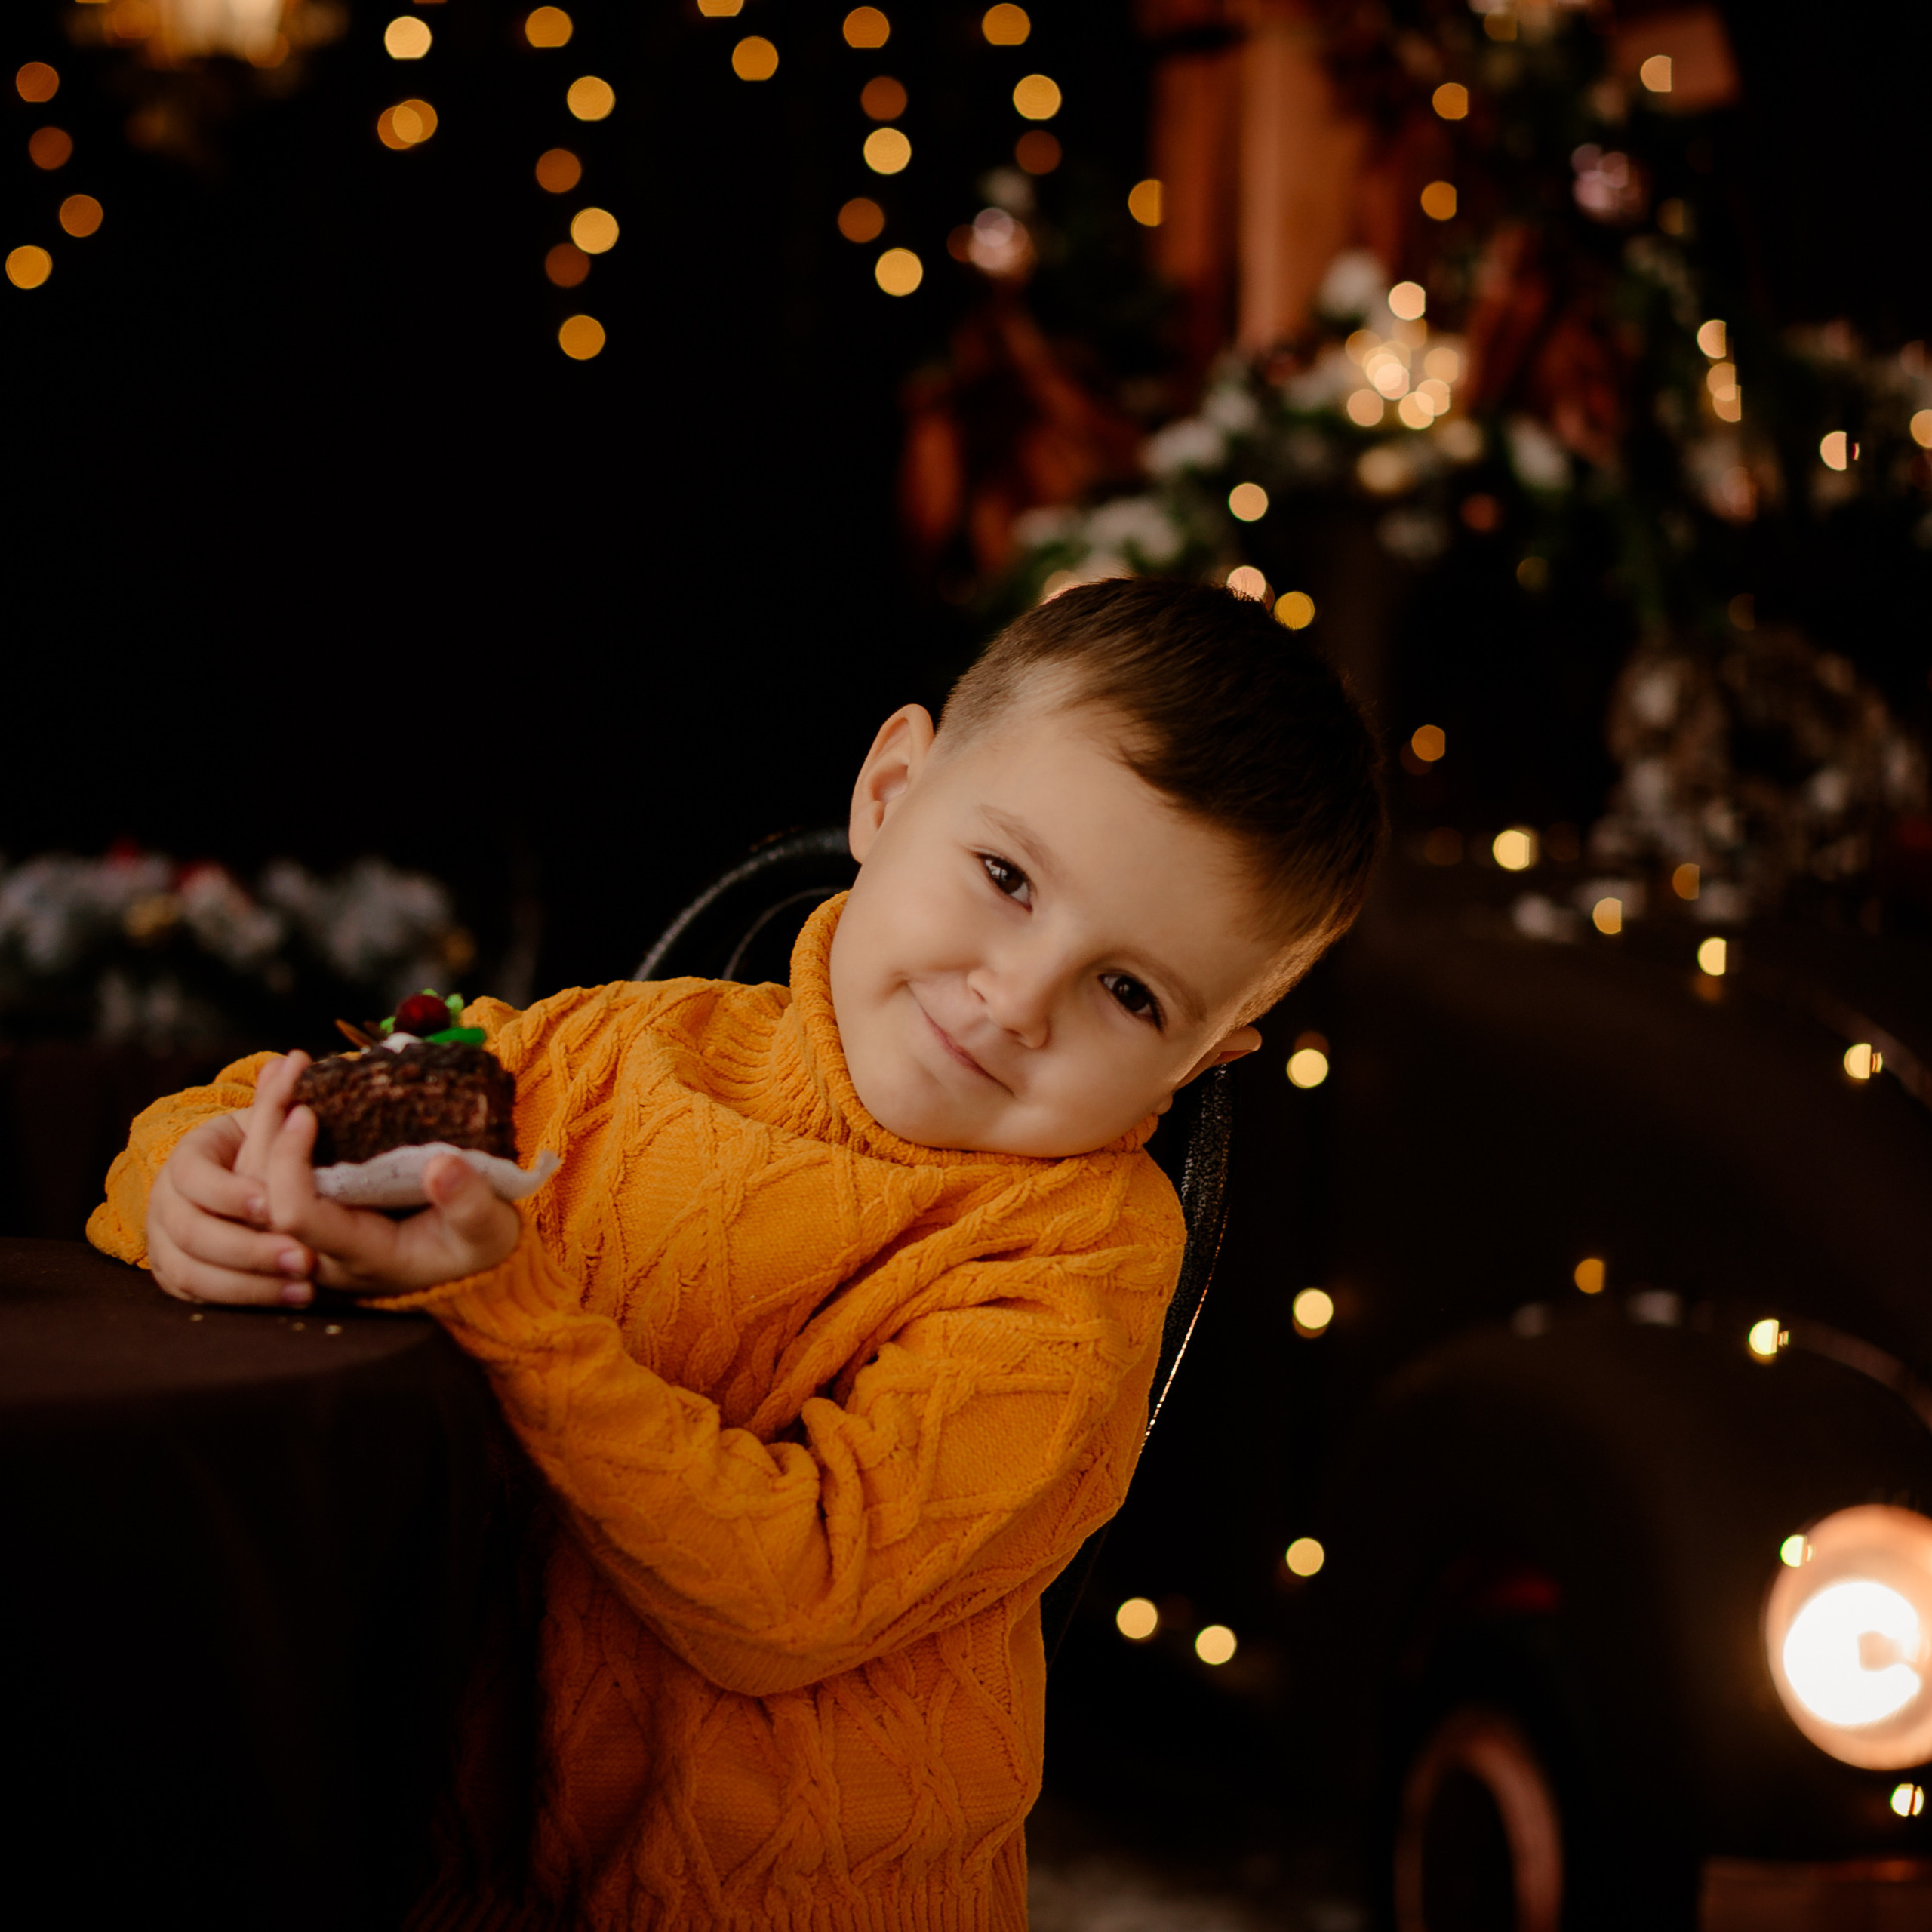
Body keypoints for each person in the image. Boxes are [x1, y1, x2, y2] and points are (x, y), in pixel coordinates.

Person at [89, 577, 1383, 1930]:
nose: (1014, 1001)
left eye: (1128, 993)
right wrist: (189, 1184)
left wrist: (503, 1300)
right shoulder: (620, 1049)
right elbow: (266, 1112)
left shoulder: (1077, 1260)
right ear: (889, 793)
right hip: (460, 1850)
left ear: (1208, 1051)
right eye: (1005, 879)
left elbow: (799, 1591)